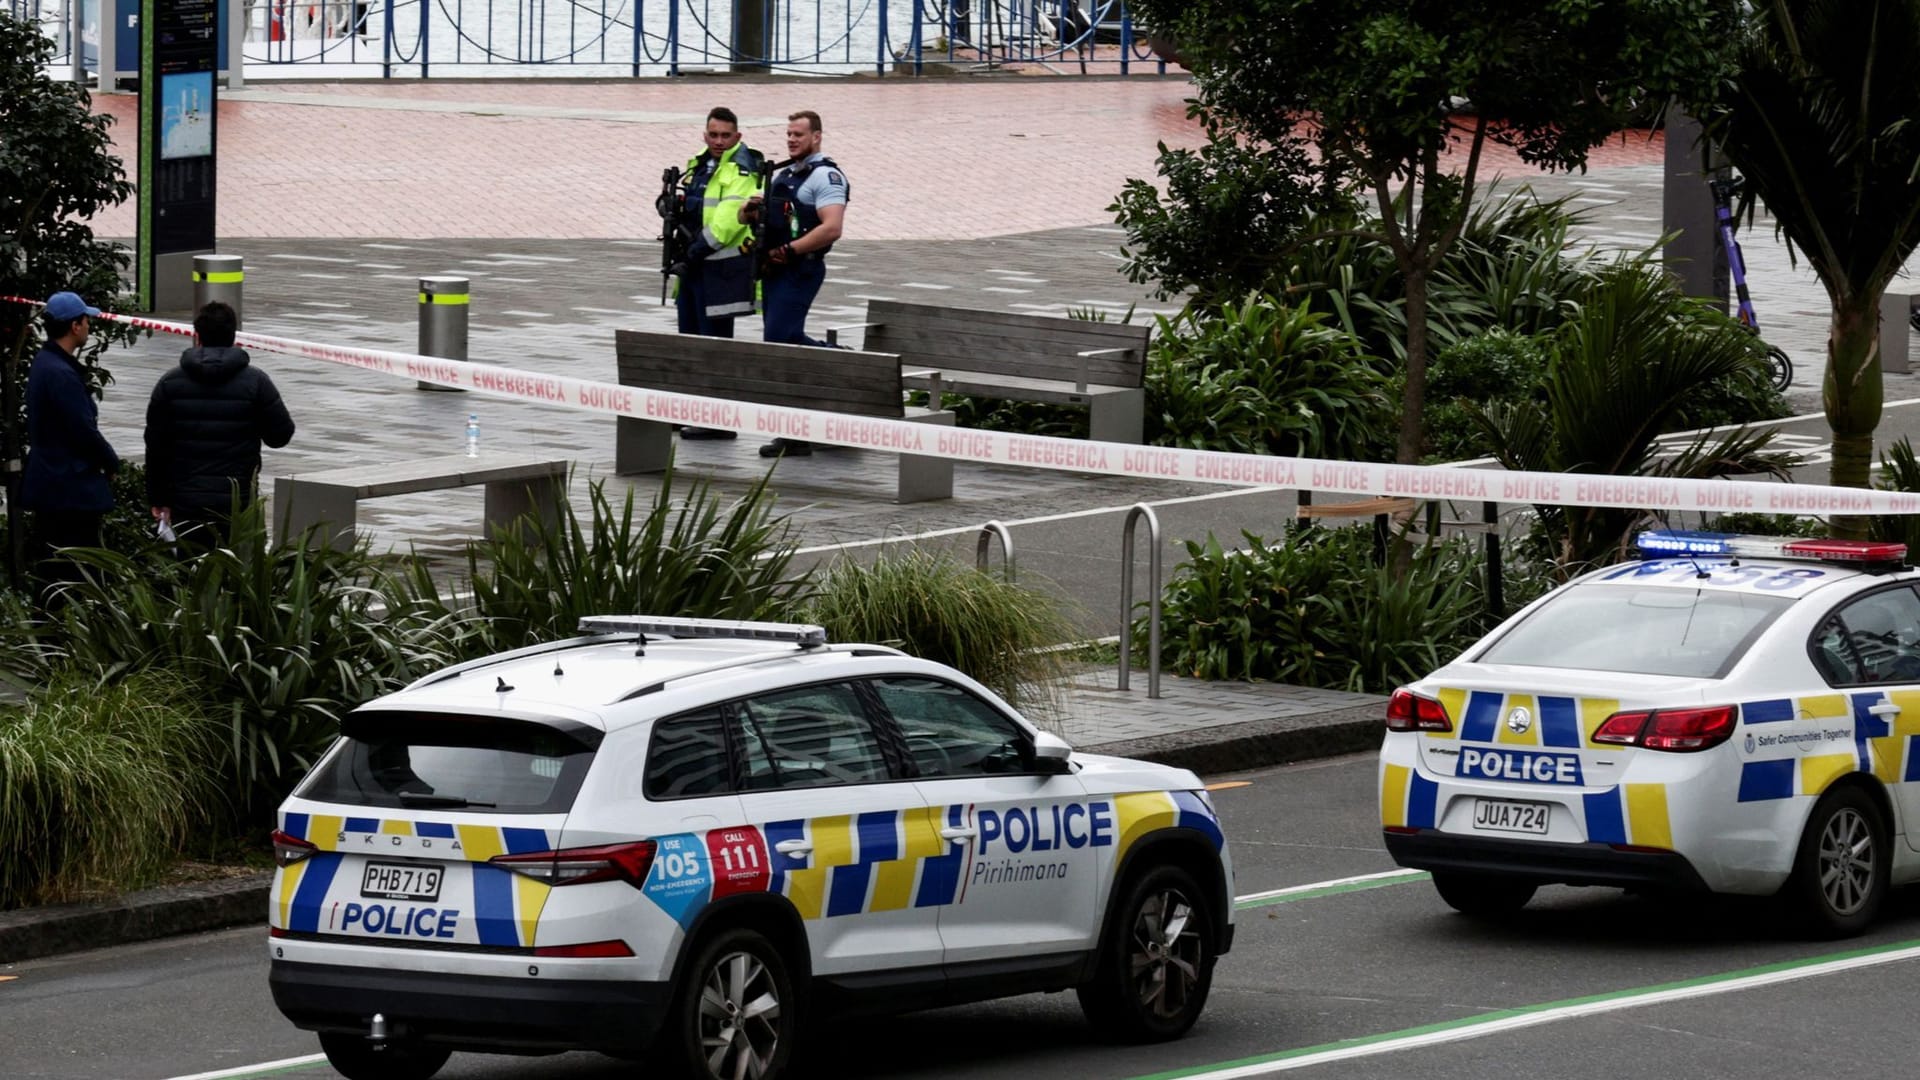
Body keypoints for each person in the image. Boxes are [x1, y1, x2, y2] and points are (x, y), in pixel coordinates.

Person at [144, 300, 296, 550]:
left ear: (197, 337)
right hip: (237, 503)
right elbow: (280, 435)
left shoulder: (169, 384)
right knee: (236, 574)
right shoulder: (256, 383)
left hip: (186, 502)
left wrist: (158, 498)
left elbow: (156, 447)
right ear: (234, 336)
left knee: (191, 575)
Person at [746, 109, 849, 457]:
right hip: (776, 270)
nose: (791, 140)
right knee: (784, 343)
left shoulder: (827, 177)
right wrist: (751, 212)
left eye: (799, 135)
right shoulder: (784, 174)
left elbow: (831, 228)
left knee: (779, 341)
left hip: (800, 269)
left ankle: (836, 362)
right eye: (789, 134)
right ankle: (795, 431)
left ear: (816, 137)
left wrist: (788, 251)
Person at [673, 106, 765, 440]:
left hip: (719, 267)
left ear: (738, 136)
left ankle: (718, 420)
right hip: (693, 266)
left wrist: (695, 251)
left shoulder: (742, 170)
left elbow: (728, 220)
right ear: (704, 134)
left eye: (726, 135)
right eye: (713, 134)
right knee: (690, 339)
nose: (719, 141)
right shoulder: (698, 162)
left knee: (714, 345)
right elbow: (694, 205)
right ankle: (690, 410)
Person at [22, 291, 119, 585]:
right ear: (75, 326)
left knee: (54, 567)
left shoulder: (45, 363)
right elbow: (83, 430)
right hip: (68, 489)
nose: (89, 325)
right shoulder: (61, 374)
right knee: (76, 571)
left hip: (52, 482)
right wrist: (111, 462)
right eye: (86, 320)